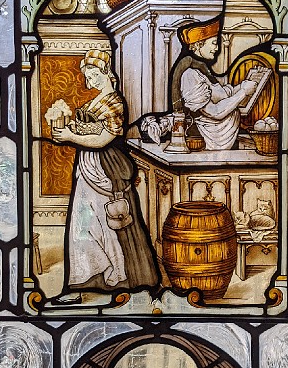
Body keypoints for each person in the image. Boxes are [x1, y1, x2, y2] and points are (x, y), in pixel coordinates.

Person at [51, 49, 159, 301]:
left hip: (107, 169)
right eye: (88, 76)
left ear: (106, 72)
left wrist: (70, 136)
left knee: (113, 223)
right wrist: (67, 129)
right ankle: (82, 283)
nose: (90, 80)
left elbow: (103, 139)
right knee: (82, 226)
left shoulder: (114, 102)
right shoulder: (95, 101)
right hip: (86, 168)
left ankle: (123, 280)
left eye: (94, 74)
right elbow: (87, 131)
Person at [170, 17, 257, 151]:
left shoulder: (202, 70)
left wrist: (241, 87)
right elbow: (214, 112)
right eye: (214, 43)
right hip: (210, 139)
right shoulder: (190, 75)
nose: (217, 48)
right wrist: (243, 92)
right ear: (198, 45)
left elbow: (221, 95)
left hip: (224, 137)